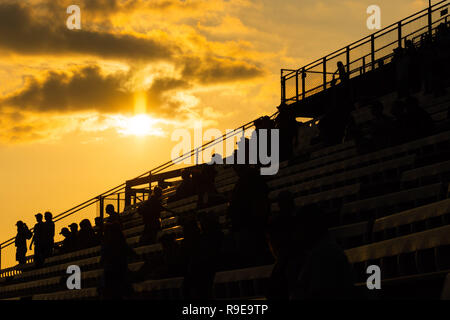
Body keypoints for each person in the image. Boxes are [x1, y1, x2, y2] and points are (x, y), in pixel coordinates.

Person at [99, 222, 137, 300]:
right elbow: (133, 254)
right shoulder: (121, 243)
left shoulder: (107, 245)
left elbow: (102, 260)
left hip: (112, 275)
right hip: (119, 273)